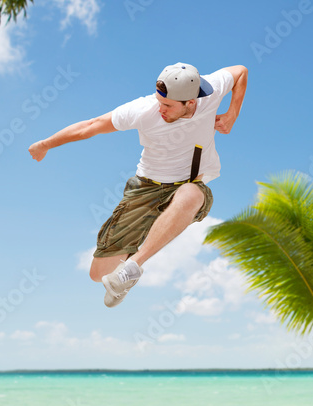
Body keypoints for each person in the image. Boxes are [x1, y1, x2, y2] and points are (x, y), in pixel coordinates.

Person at [29, 62, 248, 308]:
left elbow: (240, 71)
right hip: (145, 188)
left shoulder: (211, 92)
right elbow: (91, 126)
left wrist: (232, 114)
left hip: (189, 184)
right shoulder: (144, 110)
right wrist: (46, 144)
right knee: (98, 273)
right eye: (159, 101)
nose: (160, 109)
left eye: (167, 105)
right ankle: (148, 236)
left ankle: (132, 269)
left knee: (190, 194)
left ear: (190, 102)